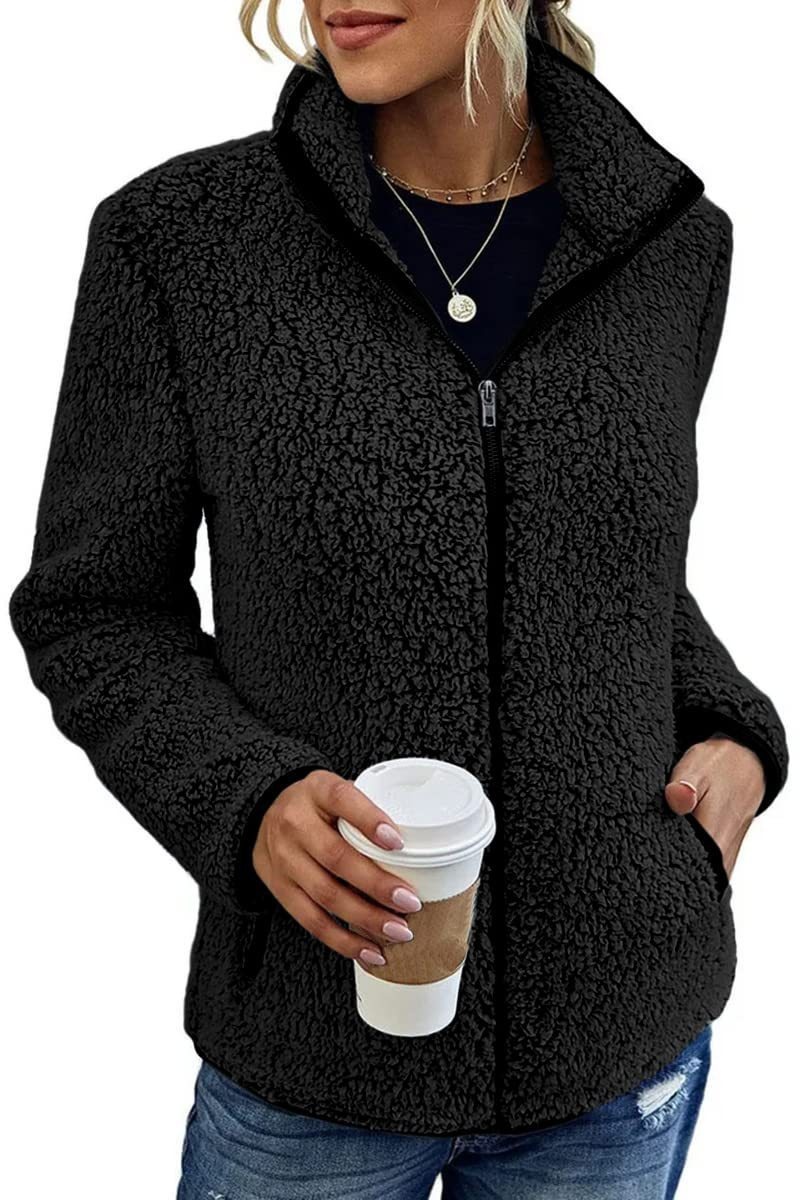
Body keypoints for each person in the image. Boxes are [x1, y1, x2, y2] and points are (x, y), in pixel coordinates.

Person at [8, 1, 789, 1197]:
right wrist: (244, 796)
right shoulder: (180, 241)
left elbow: (606, 562)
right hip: (314, 1059)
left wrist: (731, 726)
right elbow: (94, 607)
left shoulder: (670, 244)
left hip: (618, 1049)